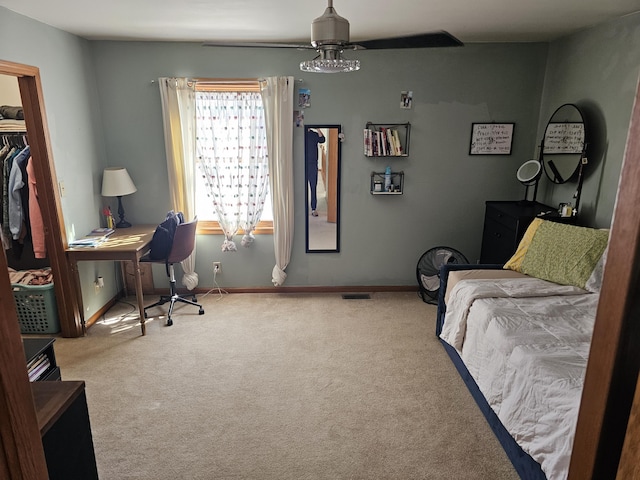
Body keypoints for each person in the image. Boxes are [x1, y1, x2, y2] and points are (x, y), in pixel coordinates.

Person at [305, 127, 325, 216]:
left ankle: (313, 209)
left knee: (313, 186)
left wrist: (318, 129)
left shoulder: (313, 134)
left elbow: (322, 139)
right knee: (301, 188)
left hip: (312, 165)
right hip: (302, 164)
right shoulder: (299, 133)